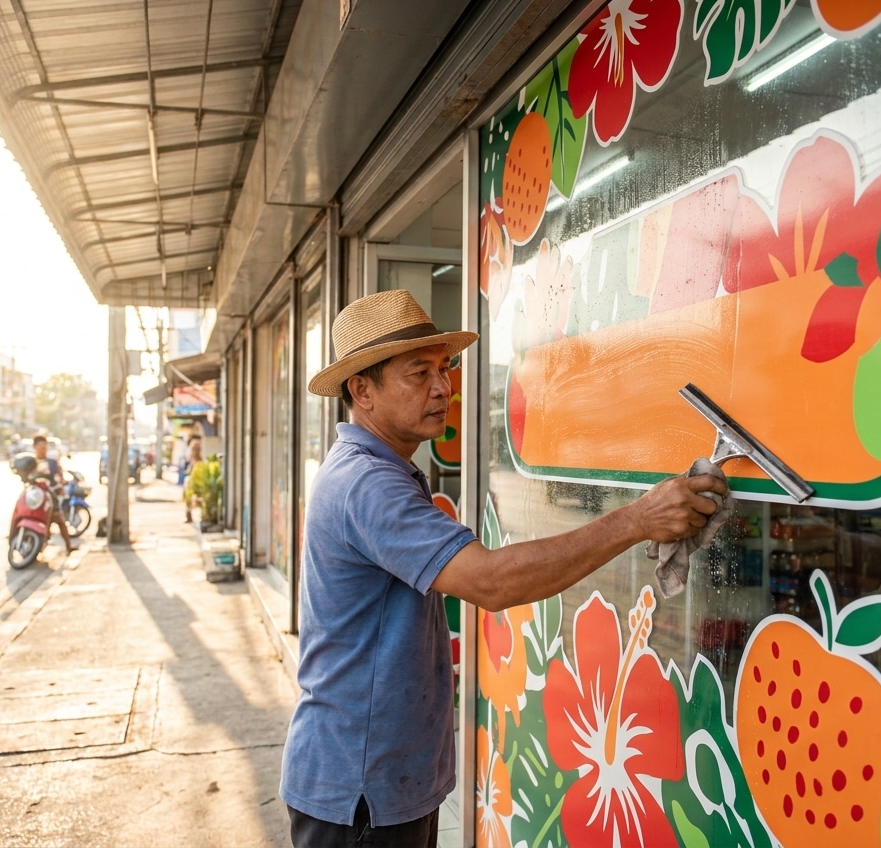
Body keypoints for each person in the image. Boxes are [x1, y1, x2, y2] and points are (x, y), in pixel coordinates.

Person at [279, 289, 728, 847]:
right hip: (359, 792)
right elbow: (490, 580)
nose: (443, 387)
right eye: (419, 373)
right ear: (361, 390)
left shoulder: (379, 469)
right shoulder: (366, 483)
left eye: (444, 368)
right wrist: (637, 519)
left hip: (378, 782)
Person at [31, 434, 76, 554]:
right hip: (35, 497)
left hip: (50, 496)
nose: (44, 450)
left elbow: (58, 477)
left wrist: (60, 486)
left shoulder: (51, 462)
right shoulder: (31, 463)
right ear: (35, 447)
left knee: (59, 519)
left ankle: (68, 546)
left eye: (45, 447)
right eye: (41, 447)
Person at [182, 435, 203, 523]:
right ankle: (189, 516)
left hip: (195, 483)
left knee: (193, 500)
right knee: (189, 500)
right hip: (192, 482)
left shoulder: (198, 461)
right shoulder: (194, 460)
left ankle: (191, 516)